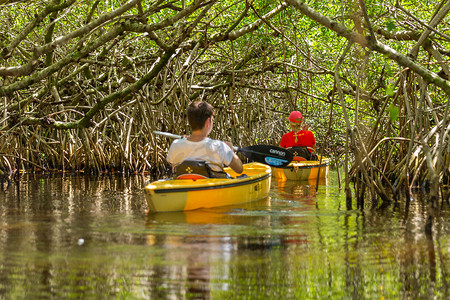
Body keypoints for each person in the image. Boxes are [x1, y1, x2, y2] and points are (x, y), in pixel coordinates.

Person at [166, 100, 243, 176]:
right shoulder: (219, 147)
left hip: (185, 186)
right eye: (212, 120)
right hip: (213, 187)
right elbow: (239, 169)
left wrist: (183, 141)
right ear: (207, 122)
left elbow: (175, 169)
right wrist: (230, 150)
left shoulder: (176, 144)